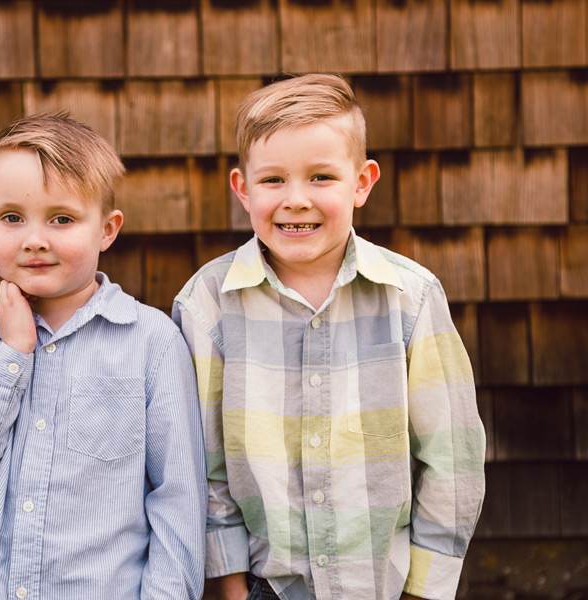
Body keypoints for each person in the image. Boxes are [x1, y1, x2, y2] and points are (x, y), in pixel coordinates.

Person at [172, 75, 486, 600]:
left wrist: (424, 590)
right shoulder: (208, 305)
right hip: (262, 586)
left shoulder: (411, 298)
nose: (297, 200)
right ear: (242, 188)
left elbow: (452, 456)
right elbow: (205, 466)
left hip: (384, 583)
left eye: (321, 177)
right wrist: (227, 588)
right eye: (273, 181)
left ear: (361, 183)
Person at [0, 113, 206, 600]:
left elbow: (179, 504)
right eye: (13, 218)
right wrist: (12, 356)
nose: (35, 238)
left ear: (107, 230)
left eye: (62, 219)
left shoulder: (150, 343)